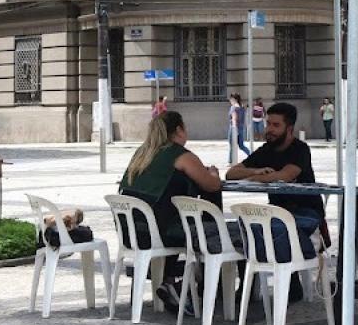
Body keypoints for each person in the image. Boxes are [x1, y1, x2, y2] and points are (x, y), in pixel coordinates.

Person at [118, 111, 229, 306]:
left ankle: (172, 281)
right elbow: (212, 185)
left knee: (172, 213)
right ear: (179, 129)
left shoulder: (141, 154)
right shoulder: (181, 156)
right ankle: (209, 279)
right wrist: (213, 173)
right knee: (197, 221)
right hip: (164, 233)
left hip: (132, 233)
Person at [227, 102, 325, 260]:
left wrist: (253, 178)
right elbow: (231, 174)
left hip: (306, 213)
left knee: (272, 232)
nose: (269, 129)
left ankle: (290, 281)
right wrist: (255, 170)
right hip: (276, 212)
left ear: (289, 128)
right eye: (268, 124)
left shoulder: (300, 149)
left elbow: (284, 176)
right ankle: (252, 283)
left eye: (276, 125)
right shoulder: (266, 150)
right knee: (243, 230)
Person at [227, 93, 251, 161]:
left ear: (235, 99)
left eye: (231, 99)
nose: (230, 101)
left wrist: (235, 129)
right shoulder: (242, 107)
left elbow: (234, 118)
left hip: (234, 128)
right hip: (241, 128)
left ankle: (231, 161)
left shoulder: (233, 107)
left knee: (232, 146)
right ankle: (252, 155)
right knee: (241, 145)